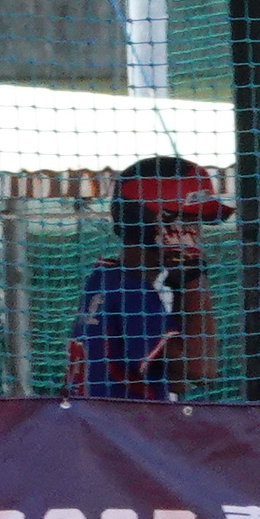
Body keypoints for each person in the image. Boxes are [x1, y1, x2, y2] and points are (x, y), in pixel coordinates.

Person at [67, 156, 228, 399]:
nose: (194, 233)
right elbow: (201, 370)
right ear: (151, 221)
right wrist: (192, 276)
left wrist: (179, 284)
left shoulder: (105, 279)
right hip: (121, 422)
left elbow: (176, 383)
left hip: (96, 418)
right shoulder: (131, 292)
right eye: (186, 221)